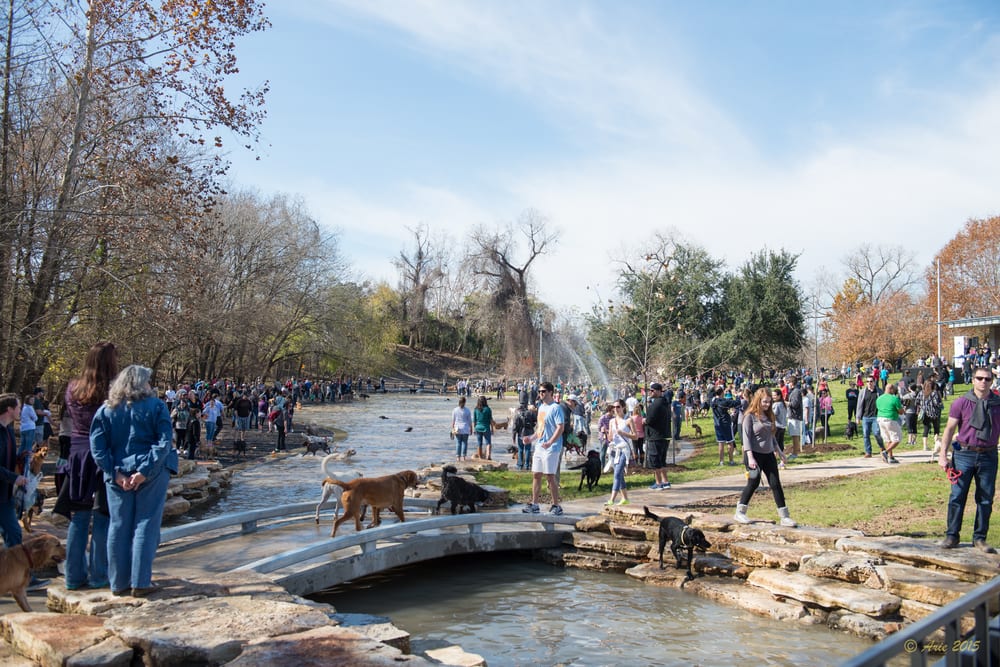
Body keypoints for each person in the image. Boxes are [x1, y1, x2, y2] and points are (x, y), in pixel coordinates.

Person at [90, 364, 178, 596]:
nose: (151, 384)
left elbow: (98, 448)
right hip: (152, 474)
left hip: (117, 474)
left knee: (118, 526)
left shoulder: (106, 410)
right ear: (141, 383)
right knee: (145, 524)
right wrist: (145, 471)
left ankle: (118, 583)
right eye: (148, 381)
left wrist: (115, 473)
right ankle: (140, 582)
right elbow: (164, 442)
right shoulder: (157, 407)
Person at [60, 341, 118, 590]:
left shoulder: (72, 388)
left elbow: (70, 421)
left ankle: (73, 577)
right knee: (103, 517)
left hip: (78, 453)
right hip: (104, 453)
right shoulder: (113, 391)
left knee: (79, 517)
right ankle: (98, 575)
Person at [937, 367, 1000, 553]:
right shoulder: (961, 402)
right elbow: (949, 429)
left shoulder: (998, 403)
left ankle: (980, 538)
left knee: (985, 499)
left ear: (992, 381)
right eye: (979, 378)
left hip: (988, 455)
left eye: (987, 379)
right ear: (973, 380)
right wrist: (943, 455)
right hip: (964, 454)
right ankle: (952, 536)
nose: (983, 382)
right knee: (957, 496)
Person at [734, 388, 797, 527]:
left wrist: (780, 452)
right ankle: (740, 511)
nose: (767, 404)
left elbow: (771, 436)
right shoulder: (749, 416)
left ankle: (784, 516)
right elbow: (746, 439)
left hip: (768, 454)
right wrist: (750, 458)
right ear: (758, 400)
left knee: (775, 483)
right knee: (754, 482)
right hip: (753, 454)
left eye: (769, 402)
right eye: (765, 402)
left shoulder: (769, 416)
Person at [522, 381, 564, 516]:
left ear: (550, 392)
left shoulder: (556, 408)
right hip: (540, 445)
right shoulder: (541, 407)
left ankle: (556, 505)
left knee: (550, 476)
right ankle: (534, 504)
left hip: (552, 447)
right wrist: (531, 438)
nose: (541, 394)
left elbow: (560, 427)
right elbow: (540, 429)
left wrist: (551, 442)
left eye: (543, 391)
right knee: (536, 474)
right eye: (540, 392)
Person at [643, 382, 671, 490]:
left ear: (659, 391)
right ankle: (666, 481)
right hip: (665, 435)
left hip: (655, 436)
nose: (650, 392)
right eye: (650, 390)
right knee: (662, 459)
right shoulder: (666, 403)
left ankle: (658, 483)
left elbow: (650, 420)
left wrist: (645, 420)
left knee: (655, 459)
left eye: (652, 390)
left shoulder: (655, 404)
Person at [606, 401, 634, 506]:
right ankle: (625, 498)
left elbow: (636, 436)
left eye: (618, 407)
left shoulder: (628, 420)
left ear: (623, 407)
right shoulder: (612, 421)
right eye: (614, 407)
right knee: (619, 474)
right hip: (615, 449)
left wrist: (623, 433)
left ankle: (611, 500)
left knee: (617, 473)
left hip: (625, 450)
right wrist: (606, 433)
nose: (616, 409)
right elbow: (610, 438)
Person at [856, 377, 885, 458]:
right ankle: (868, 452)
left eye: (871, 381)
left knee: (877, 433)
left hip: (876, 416)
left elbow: (883, 404)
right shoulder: (863, 392)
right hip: (866, 417)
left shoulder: (879, 391)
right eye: (867, 381)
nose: (869, 383)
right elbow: (859, 405)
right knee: (865, 434)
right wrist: (858, 417)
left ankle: (882, 447)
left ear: (874, 382)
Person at [711, 386, 740, 466]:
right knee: (730, 442)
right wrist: (736, 395)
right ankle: (731, 461)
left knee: (721, 443)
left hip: (717, 424)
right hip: (726, 423)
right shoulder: (724, 402)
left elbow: (711, 393)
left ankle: (721, 462)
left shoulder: (712, 401)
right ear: (722, 393)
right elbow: (737, 403)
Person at [875, 383, 904, 464]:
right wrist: (903, 409)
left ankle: (891, 457)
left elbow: (878, 408)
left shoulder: (879, 399)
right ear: (891, 389)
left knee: (888, 439)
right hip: (890, 419)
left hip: (880, 419)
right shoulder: (894, 399)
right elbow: (901, 412)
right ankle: (886, 452)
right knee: (897, 439)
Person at [920, 379, 944, 451]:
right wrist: (941, 405)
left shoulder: (921, 393)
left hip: (925, 413)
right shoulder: (934, 393)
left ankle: (925, 446)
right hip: (935, 413)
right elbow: (936, 403)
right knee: (936, 429)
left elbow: (917, 402)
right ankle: (936, 445)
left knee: (926, 429)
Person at [512, 401, 537, 470]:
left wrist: (513, 437)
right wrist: (532, 426)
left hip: (520, 434)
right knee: (528, 450)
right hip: (529, 434)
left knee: (520, 450)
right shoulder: (530, 413)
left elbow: (514, 427)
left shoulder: (517, 415)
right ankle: (527, 465)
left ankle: (520, 465)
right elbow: (536, 420)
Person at [785, 376, 803, 458]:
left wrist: (786, 403)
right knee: (793, 435)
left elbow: (795, 404)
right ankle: (795, 452)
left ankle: (795, 453)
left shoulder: (796, 392)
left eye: (788, 382)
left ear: (792, 383)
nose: (787, 384)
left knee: (795, 435)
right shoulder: (793, 391)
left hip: (795, 416)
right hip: (792, 416)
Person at [451, 396, 472, 461]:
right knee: (465, 443)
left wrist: (452, 429)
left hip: (458, 429)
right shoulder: (467, 410)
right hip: (465, 428)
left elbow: (453, 421)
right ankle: (464, 457)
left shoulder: (455, 410)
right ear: (465, 402)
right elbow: (470, 421)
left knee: (458, 443)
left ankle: (458, 457)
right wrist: (471, 428)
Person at [473, 396, 493, 460]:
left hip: (478, 428)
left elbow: (474, 420)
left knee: (479, 443)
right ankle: (488, 456)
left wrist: (474, 428)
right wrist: (492, 428)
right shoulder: (488, 409)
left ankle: (480, 457)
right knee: (488, 443)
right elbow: (490, 420)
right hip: (486, 427)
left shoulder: (476, 409)